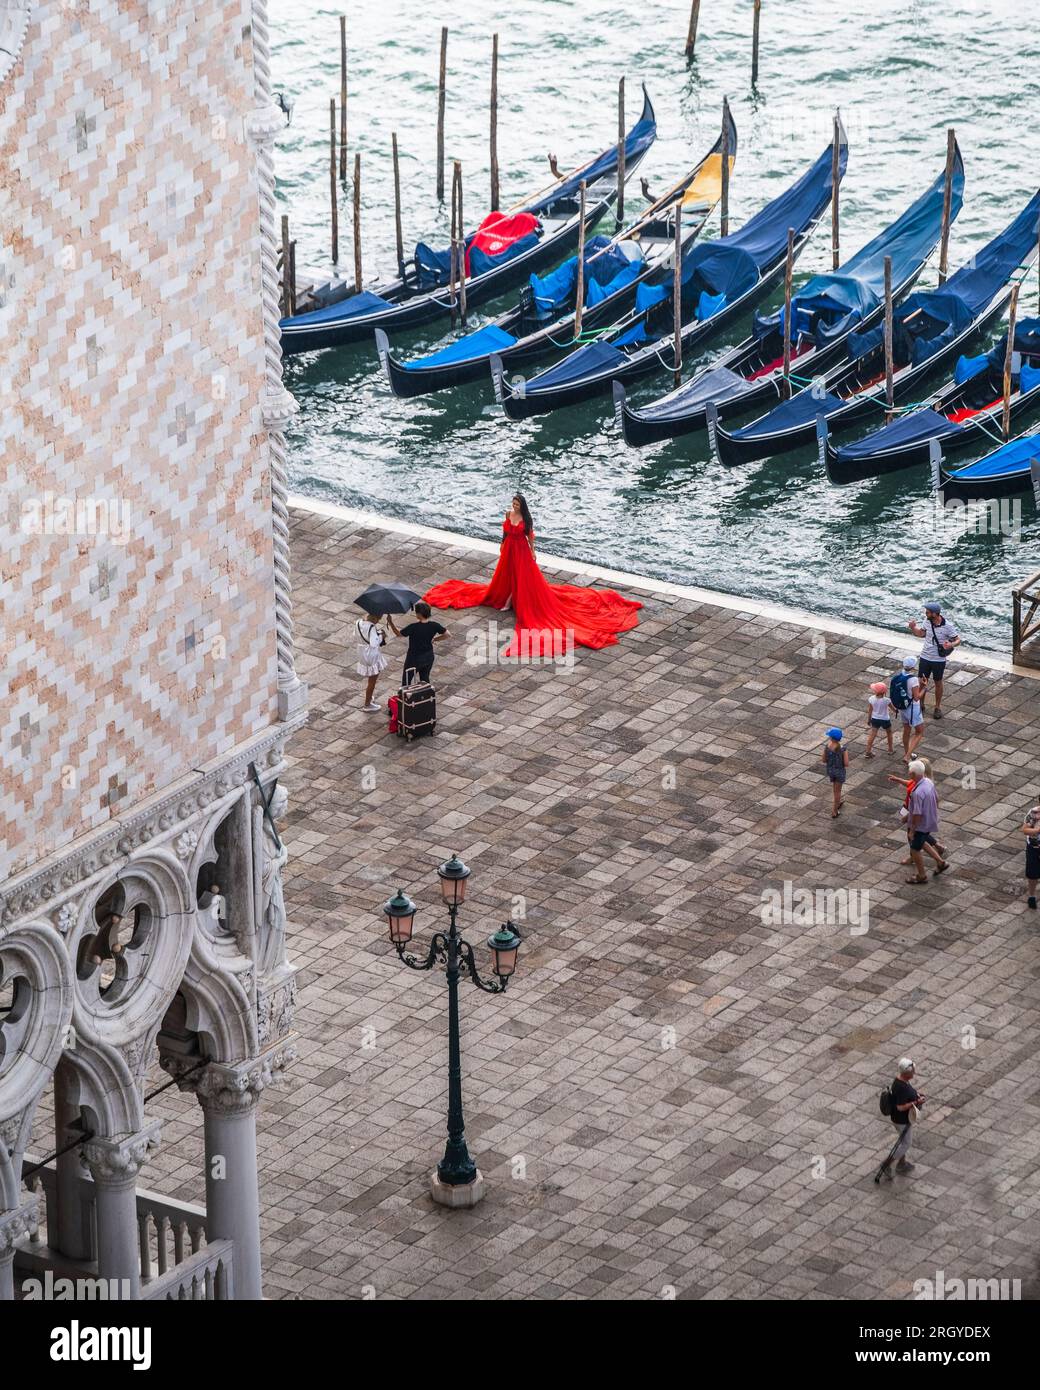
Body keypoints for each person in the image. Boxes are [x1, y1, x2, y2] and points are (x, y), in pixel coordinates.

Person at [422, 493, 641, 658]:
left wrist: (534, 552)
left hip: (522, 552)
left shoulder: (526, 519)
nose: (514, 507)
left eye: (517, 504)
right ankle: (507, 598)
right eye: (514, 504)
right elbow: (506, 532)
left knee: (523, 580)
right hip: (509, 549)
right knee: (506, 576)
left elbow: (530, 537)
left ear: (522, 506)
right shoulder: (508, 514)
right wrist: (502, 545)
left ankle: (514, 600)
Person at [875, 1057, 925, 1182]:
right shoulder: (902, 1087)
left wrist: (916, 1095)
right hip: (902, 1120)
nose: (914, 1072)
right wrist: (916, 1101)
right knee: (906, 1143)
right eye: (912, 1070)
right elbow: (900, 1107)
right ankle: (886, 1164)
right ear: (907, 1073)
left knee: (902, 1141)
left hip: (901, 1119)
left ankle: (902, 1164)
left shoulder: (901, 1081)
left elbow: (908, 1094)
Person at [907, 601, 960, 719]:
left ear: (935, 614)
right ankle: (921, 704)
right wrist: (913, 628)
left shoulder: (948, 626)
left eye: (928, 612)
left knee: (938, 683)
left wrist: (951, 644)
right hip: (925, 657)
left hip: (938, 659)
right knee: (922, 681)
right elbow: (921, 634)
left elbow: (957, 640)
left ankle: (937, 707)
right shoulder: (927, 622)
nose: (926, 614)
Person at [904, 759, 948, 884]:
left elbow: (917, 813)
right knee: (922, 842)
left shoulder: (917, 793)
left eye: (909, 772)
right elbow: (936, 798)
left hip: (921, 825)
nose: (908, 773)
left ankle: (921, 876)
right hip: (930, 821)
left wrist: (912, 830)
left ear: (913, 774)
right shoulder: (928, 782)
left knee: (915, 849)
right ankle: (940, 862)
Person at [388, 601, 448, 686]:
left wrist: (390, 622)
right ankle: (425, 696)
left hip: (413, 658)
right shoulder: (434, 625)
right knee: (425, 679)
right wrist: (435, 639)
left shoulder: (413, 627)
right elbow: (447, 634)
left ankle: (406, 697)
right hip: (428, 657)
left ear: (419, 614)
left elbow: (398, 634)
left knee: (407, 681)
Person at [891, 656, 925, 763]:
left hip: (902, 708)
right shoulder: (913, 679)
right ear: (913, 667)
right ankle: (907, 756)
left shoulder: (899, 676)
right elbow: (916, 697)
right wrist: (924, 687)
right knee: (919, 732)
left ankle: (907, 753)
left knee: (906, 730)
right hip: (912, 709)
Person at [355, 610, 389, 712]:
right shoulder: (372, 627)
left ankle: (369, 698)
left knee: (371, 680)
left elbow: (355, 635)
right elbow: (374, 643)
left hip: (362, 653)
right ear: (374, 618)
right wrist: (381, 636)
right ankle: (367, 704)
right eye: (378, 619)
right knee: (372, 681)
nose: (378, 621)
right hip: (371, 656)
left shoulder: (358, 622)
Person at [821, 726, 848, 818]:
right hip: (839, 772)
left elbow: (824, 760)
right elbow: (846, 763)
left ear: (831, 738)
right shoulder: (843, 749)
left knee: (835, 790)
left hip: (831, 771)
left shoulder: (827, 747)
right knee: (837, 792)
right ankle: (834, 811)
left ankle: (838, 802)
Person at [865, 681, 895, 758]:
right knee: (889, 733)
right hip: (885, 719)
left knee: (873, 734)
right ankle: (890, 749)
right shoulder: (887, 700)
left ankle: (868, 751)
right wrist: (896, 711)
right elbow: (893, 708)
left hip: (875, 719)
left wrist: (869, 720)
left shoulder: (871, 699)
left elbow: (870, 710)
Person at [1021, 796, 1040, 910]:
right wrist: (1037, 830)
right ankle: (1032, 896)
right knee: (1032, 874)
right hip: (1034, 848)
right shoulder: (1034, 813)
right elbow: (1025, 830)